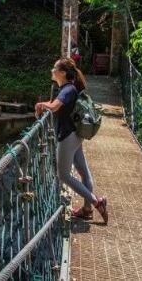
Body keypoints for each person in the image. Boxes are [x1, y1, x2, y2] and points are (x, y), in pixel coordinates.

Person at [34, 58, 108, 223]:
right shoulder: (68, 89)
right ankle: (87, 210)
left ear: (62, 73)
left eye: (54, 68)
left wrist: (43, 105)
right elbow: (55, 104)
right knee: (83, 172)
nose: (52, 70)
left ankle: (97, 203)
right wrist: (42, 104)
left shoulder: (67, 90)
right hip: (76, 135)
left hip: (67, 137)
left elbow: (54, 107)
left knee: (64, 175)